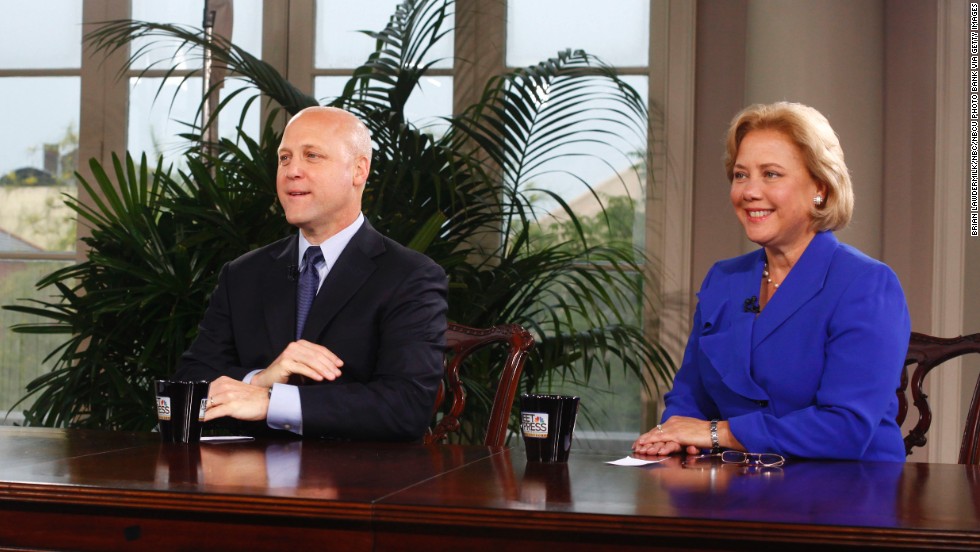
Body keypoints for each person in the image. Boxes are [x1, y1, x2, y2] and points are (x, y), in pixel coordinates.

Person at [633, 102, 910, 461]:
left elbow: (845, 429)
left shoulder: (867, 285)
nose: (749, 191)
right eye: (740, 174)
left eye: (772, 174)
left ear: (820, 188)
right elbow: (690, 395)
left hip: (843, 494)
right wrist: (671, 435)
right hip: (735, 488)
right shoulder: (724, 279)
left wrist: (718, 433)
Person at [175, 106, 448, 442]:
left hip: (359, 485)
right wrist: (261, 380)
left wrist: (273, 402)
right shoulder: (242, 274)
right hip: (249, 481)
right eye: (285, 158)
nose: (292, 171)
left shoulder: (410, 276)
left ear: (359, 170)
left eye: (312, 156)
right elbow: (189, 382)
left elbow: (406, 406)